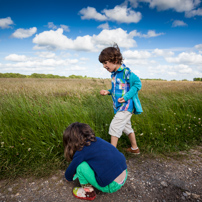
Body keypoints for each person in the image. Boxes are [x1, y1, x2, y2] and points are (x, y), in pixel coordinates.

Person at [63, 122, 128, 201]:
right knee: (98, 160)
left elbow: (72, 168)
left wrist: (68, 177)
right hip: (124, 173)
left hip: (111, 186)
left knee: (80, 167)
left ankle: (88, 192)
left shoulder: (81, 151)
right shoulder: (98, 140)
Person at [99, 44, 143, 154]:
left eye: (105, 63)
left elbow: (138, 84)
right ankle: (135, 148)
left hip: (127, 106)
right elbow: (116, 89)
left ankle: (111, 154)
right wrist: (108, 92)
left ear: (113, 60)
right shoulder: (114, 75)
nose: (104, 66)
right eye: (103, 64)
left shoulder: (126, 72)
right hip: (118, 107)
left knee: (115, 126)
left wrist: (126, 97)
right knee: (126, 127)